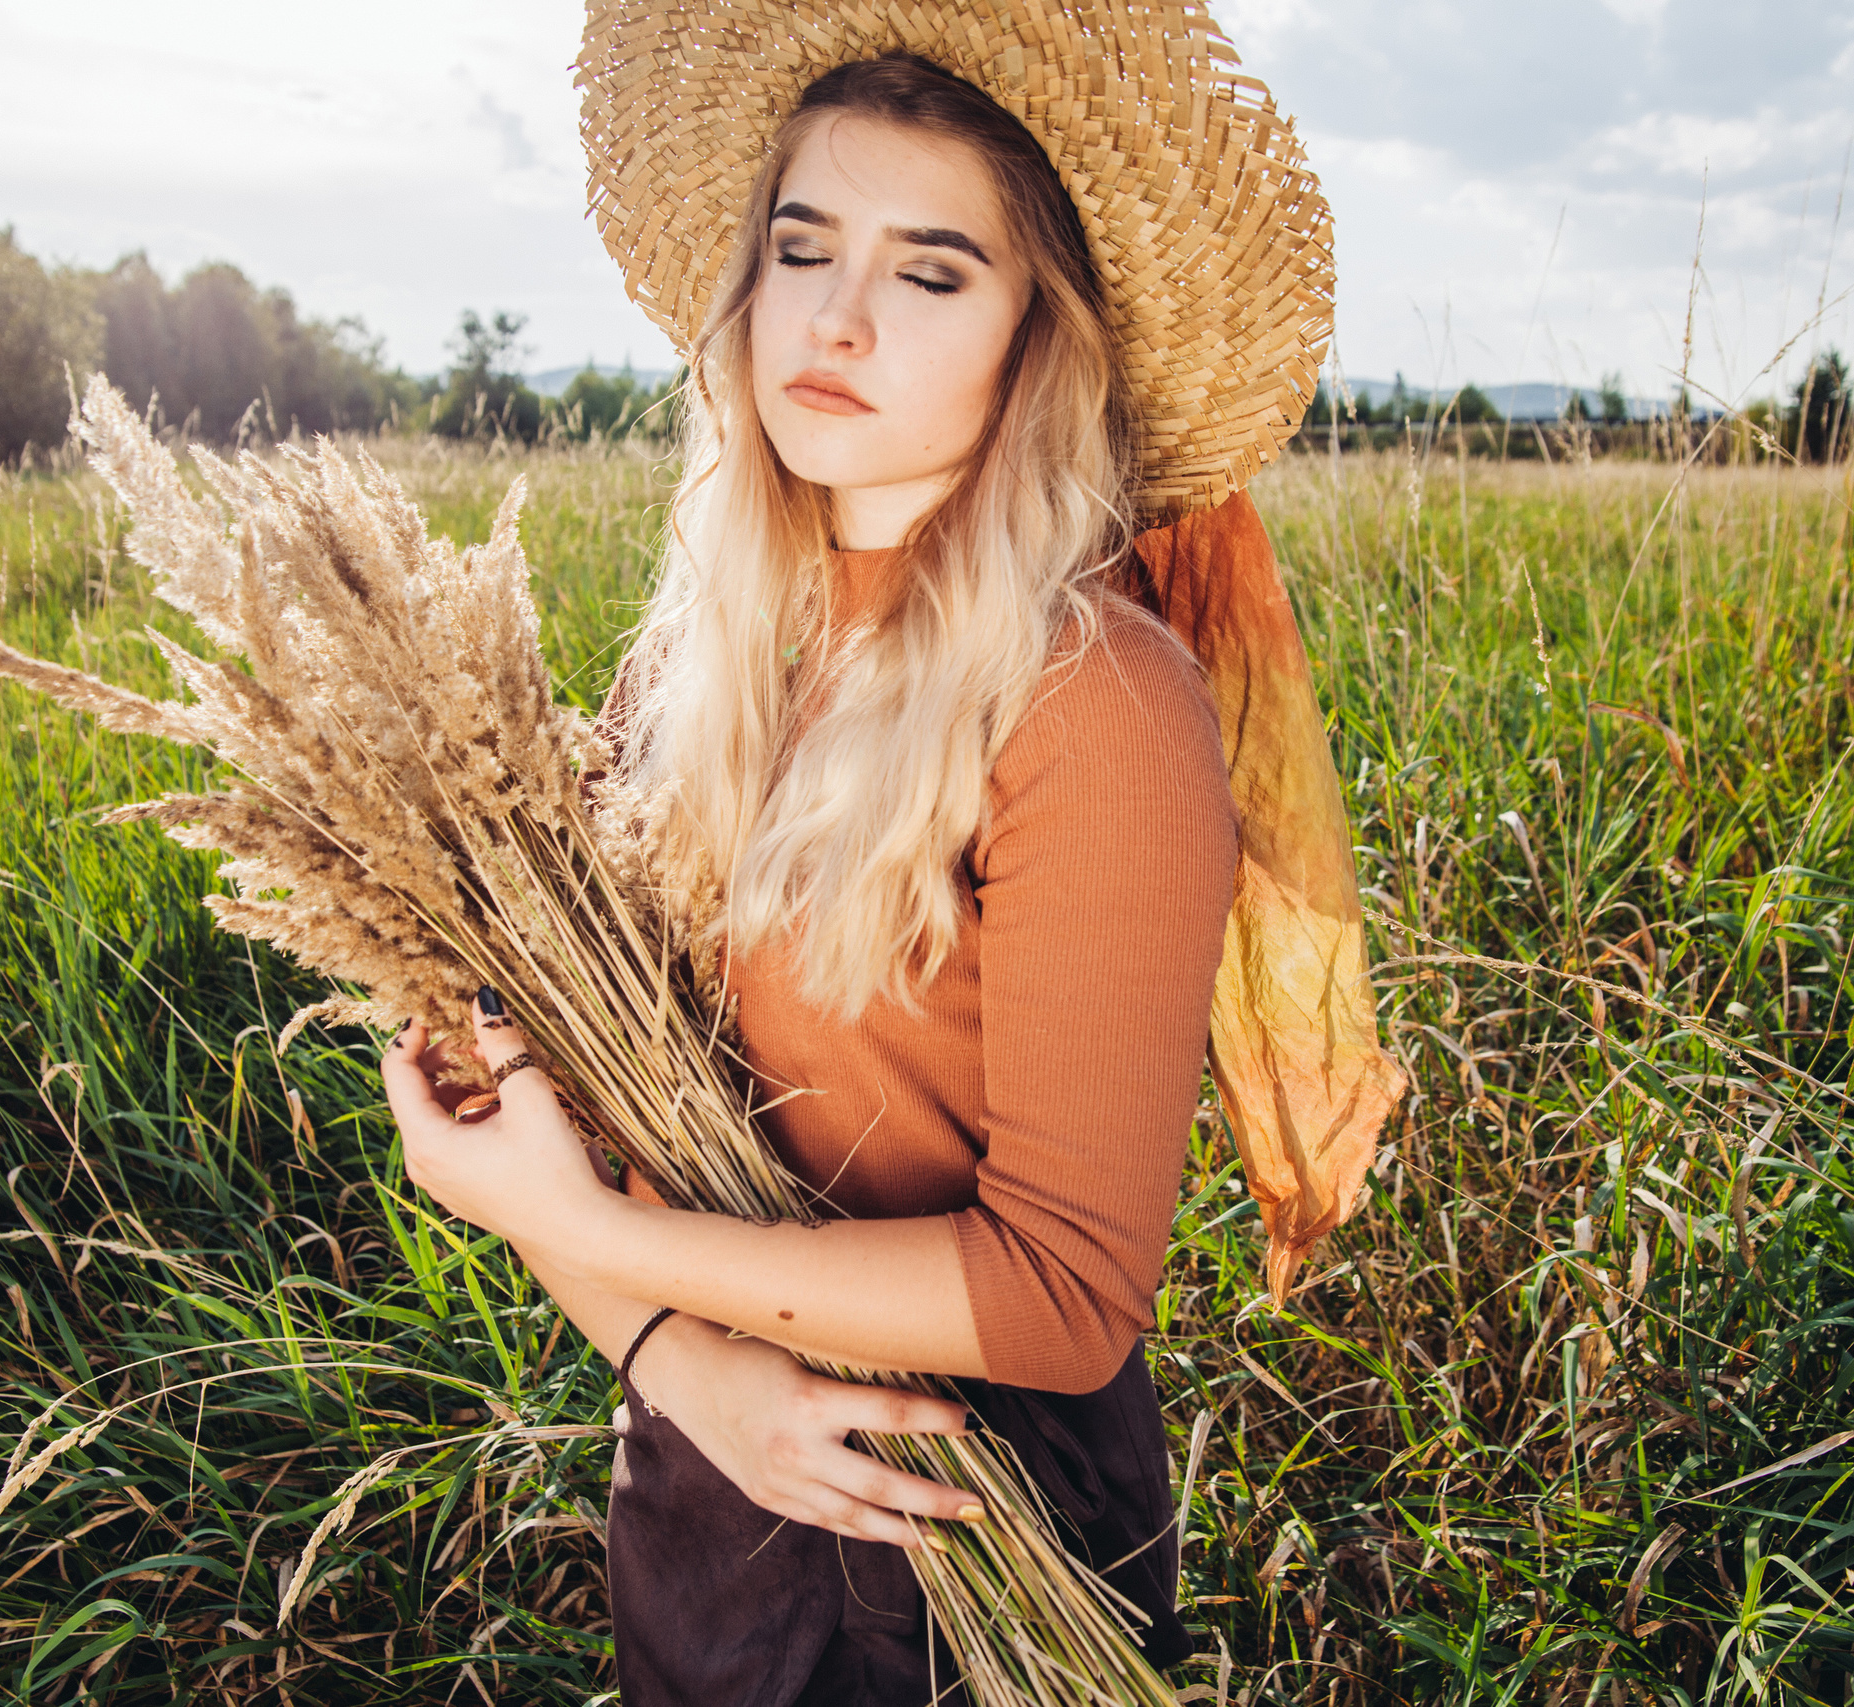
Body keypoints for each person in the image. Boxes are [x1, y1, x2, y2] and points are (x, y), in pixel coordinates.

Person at [381, 7, 1368, 1702]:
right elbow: (556, 1111)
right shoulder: (687, 669)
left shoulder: (1091, 703)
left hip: (960, 1533)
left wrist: (596, 1253)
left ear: (1030, 343)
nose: (835, 318)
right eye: (801, 246)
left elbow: (1065, 1298)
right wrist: (676, 1365)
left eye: (931, 274)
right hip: (700, 1487)